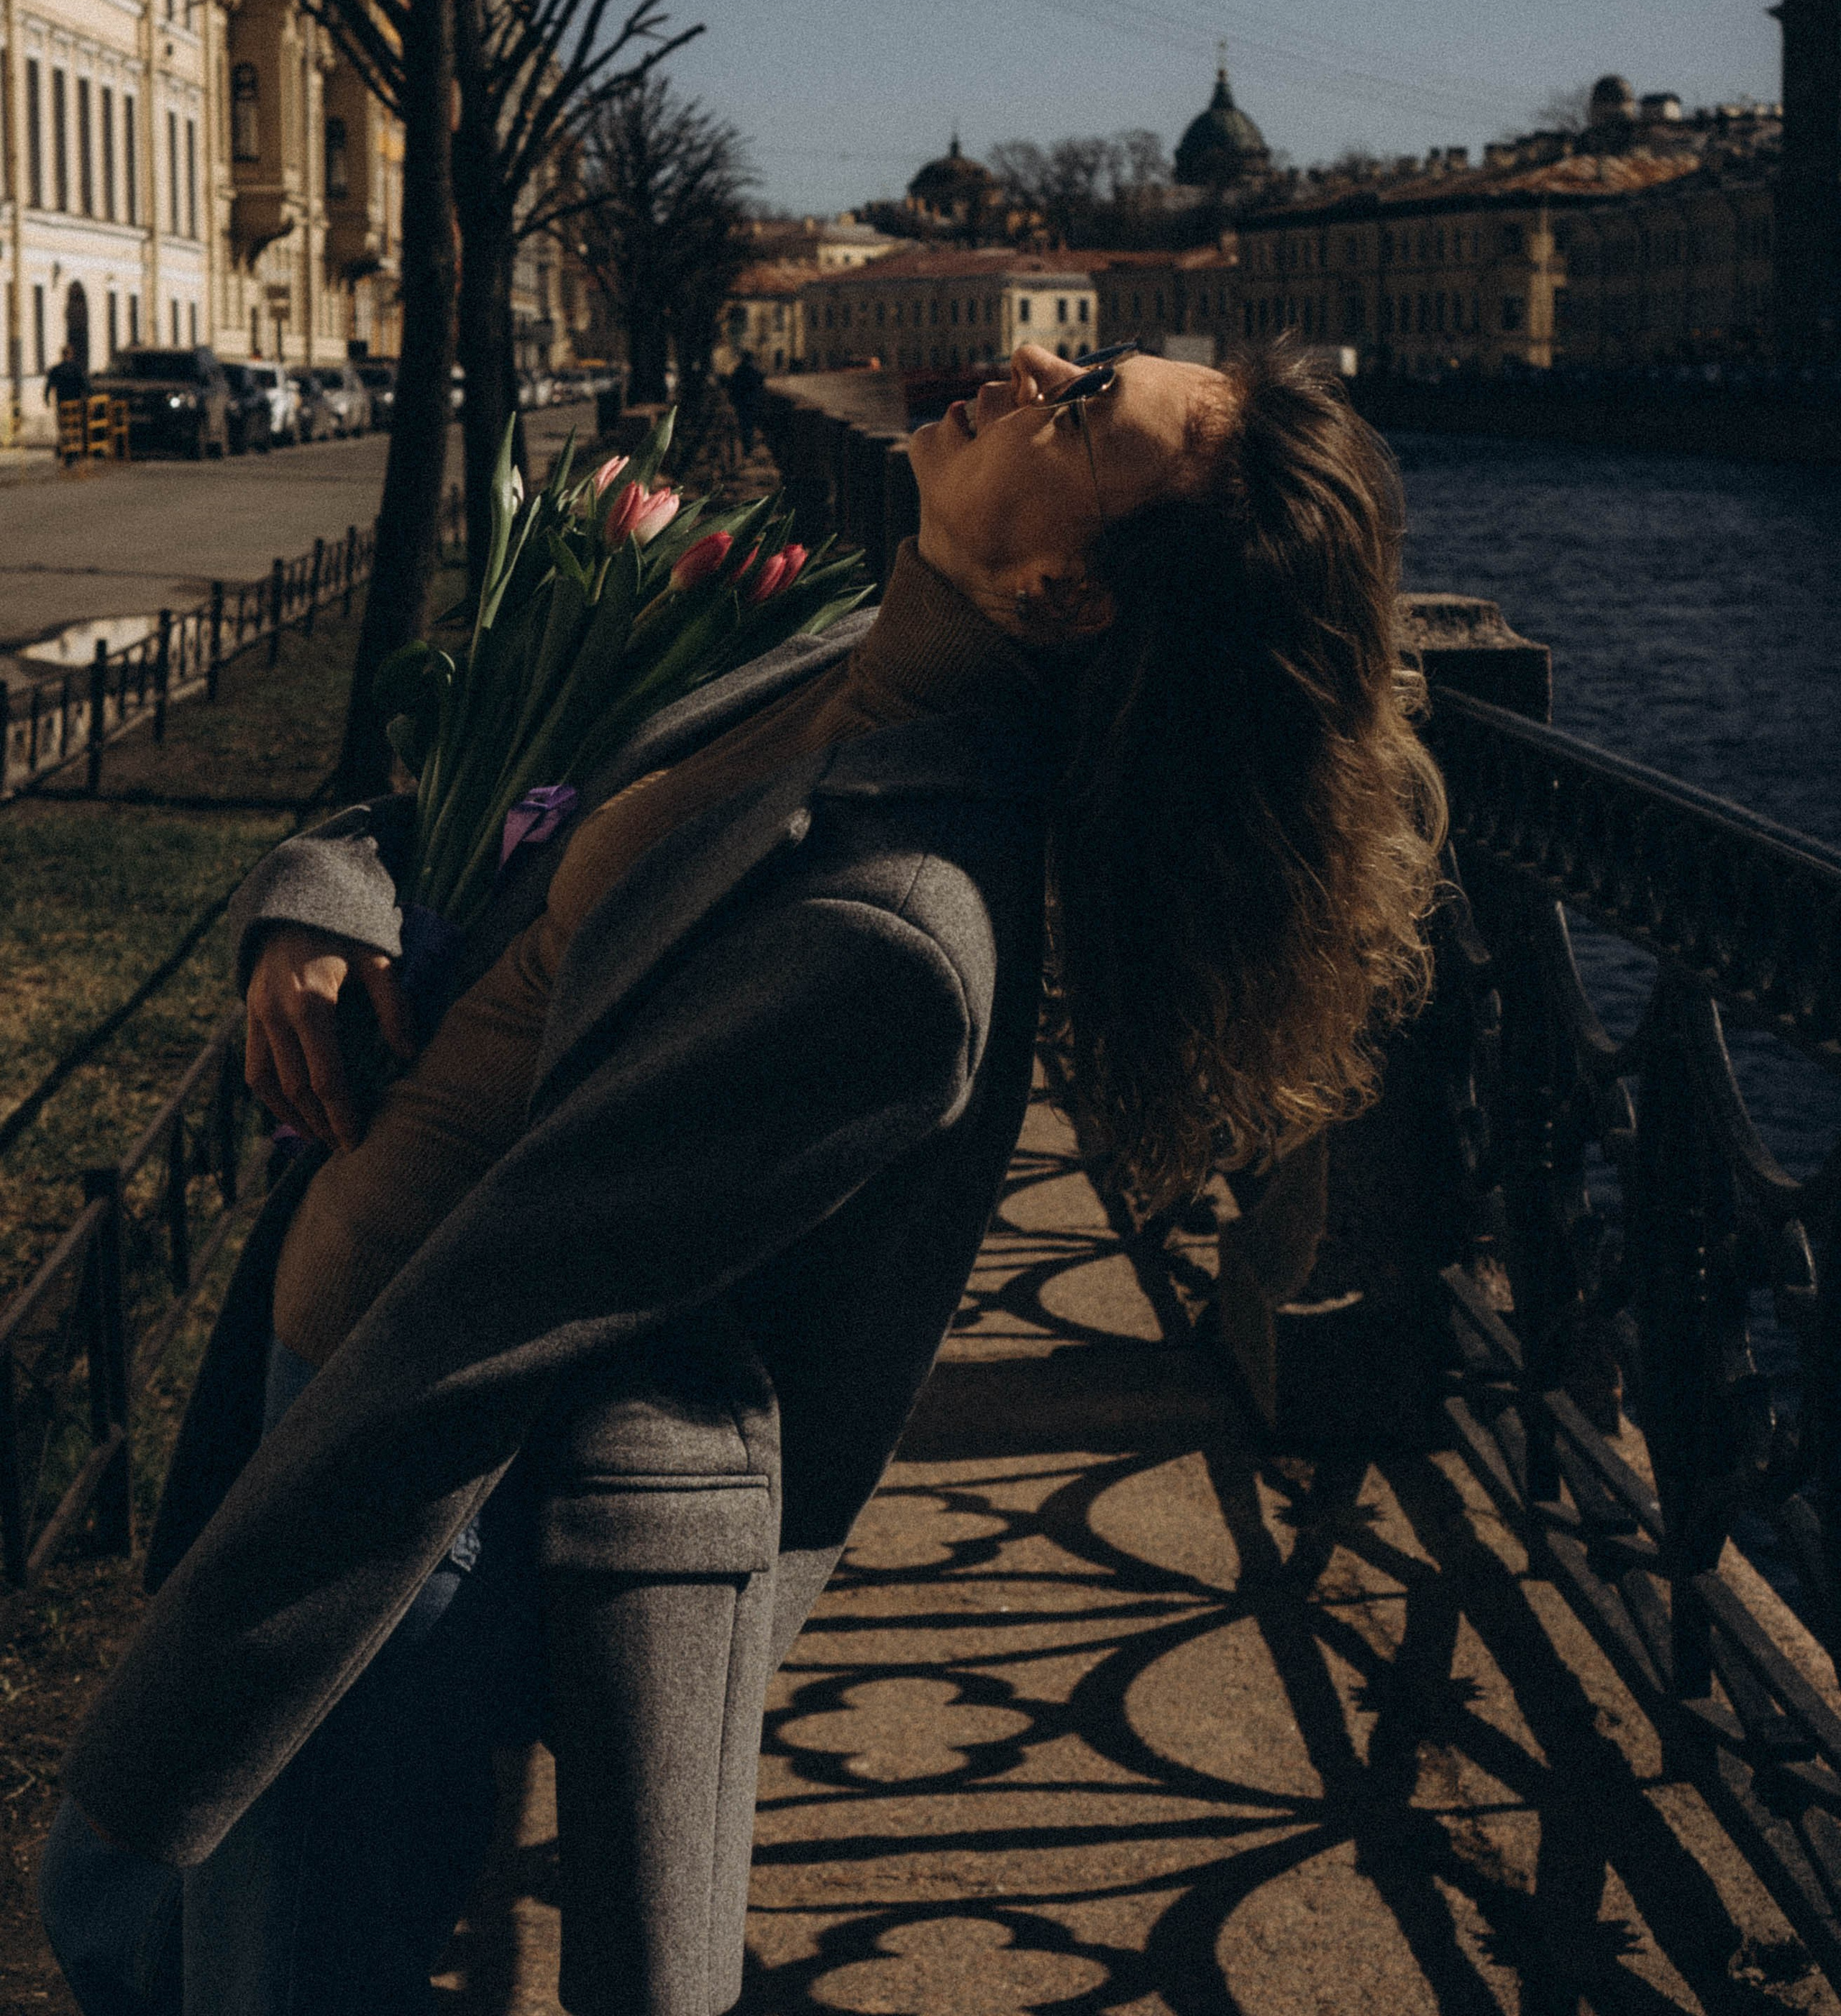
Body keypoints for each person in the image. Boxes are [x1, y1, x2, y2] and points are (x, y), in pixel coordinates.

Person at [42, 339, 1445, 2016]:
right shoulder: (844, 662)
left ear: (1068, 592)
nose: (1023, 366)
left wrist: (184, 1703)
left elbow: (487, 1325)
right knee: (134, 1945)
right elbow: (510, 835)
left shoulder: (898, 931)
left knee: (173, 1946)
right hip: (329, 1379)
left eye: (1079, 408)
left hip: (393, 1517)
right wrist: (320, 903)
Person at [725, 345, 766, 455]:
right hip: (751, 401)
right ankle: (748, 446)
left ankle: (746, 445)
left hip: (740, 402)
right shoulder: (754, 371)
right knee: (750, 424)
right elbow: (761, 382)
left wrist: (732, 400)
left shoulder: (737, 370)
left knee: (743, 423)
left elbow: (731, 386)